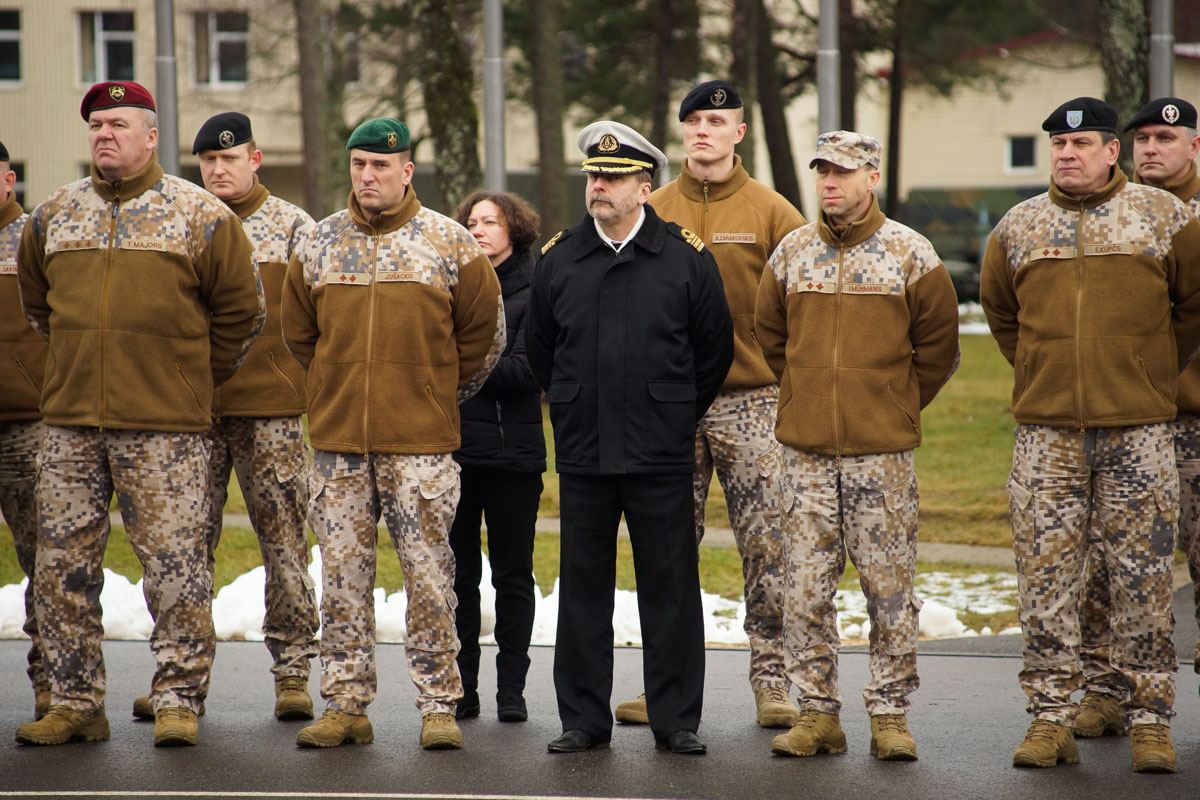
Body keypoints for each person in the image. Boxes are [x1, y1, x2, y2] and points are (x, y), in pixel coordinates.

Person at [15, 81, 264, 748]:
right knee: (62, 567)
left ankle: (178, 697)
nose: (104, 134)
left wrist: (186, 379)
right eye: (96, 124)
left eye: (119, 124)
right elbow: (40, 307)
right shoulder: (53, 215)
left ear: (151, 137)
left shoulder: (200, 215)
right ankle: (74, 703)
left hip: (165, 428)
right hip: (69, 425)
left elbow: (243, 313)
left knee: (176, 566)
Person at [980, 97, 1200, 773]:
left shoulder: (1166, 219)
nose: (1069, 154)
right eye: (1058, 145)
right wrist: (1048, 371)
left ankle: (1150, 720)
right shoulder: (1019, 227)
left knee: (1141, 582)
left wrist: (1147, 369)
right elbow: (1002, 314)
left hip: (1138, 430)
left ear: (1113, 152)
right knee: (1047, 582)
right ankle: (1050, 718)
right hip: (1048, 436)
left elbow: (1191, 309)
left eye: (1084, 144)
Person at [281, 117, 504, 751]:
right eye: (358, 166)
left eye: (381, 166)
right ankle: (346, 703)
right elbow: (300, 335)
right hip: (339, 445)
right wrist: (331, 387)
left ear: (407, 170)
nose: (368, 176)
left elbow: (484, 338)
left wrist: (436, 394)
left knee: (431, 578)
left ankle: (438, 705)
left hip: (421, 446)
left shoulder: (448, 242)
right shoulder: (319, 243)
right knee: (343, 577)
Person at [527, 120, 734, 755]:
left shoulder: (685, 258)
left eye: (613, 178)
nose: (599, 187)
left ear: (644, 187)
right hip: (586, 448)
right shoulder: (561, 258)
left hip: (659, 448)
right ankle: (583, 719)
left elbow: (713, 351)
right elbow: (539, 351)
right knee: (582, 586)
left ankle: (675, 719)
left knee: (669, 586)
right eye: (593, 175)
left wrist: (671, 413)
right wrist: (570, 408)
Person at [756, 130, 959, 761]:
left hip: (882, 456)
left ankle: (890, 713)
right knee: (805, 588)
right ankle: (818, 714)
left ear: (872, 177)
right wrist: (807, 399)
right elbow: (771, 339)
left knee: (889, 588)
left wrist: (893, 407)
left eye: (842, 172)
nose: (829, 183)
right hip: (805, 454)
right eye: (822, 172)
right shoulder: (791, 252)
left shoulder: (910, 252)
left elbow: (939, 349)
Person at [610, 80, 805, 730]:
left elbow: (800, 308)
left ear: (739, 133)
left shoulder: (773, 211)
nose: (703, 131)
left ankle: (773, 681)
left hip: (751, 403)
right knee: (666, 546)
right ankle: (664, 684)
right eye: (693, 119)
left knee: (767, 545)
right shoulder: (652, 208)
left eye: (716, 120)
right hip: (668, 406)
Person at [131, 112, 321, 722]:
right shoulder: (179, 220)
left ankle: (292, 672)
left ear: (255, 159)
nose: (218, 170)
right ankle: (181, 679)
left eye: (230, 159)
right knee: (182, 549)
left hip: (270, 413)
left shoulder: (295, 227)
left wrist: (302, 384)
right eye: (209, 161)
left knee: (285, 544)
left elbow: (322, 319)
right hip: (191, 414)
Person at [1074, 97, 1200, 740]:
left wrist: (1163, 365)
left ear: (1195, 148)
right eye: (1143, 138)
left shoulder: (1188, 223)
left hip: (1193, 420)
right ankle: (1106, 691)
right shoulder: (1106, 216)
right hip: (1125, 419)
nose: (1153, 149)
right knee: (1107, 562)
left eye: (1167, 138)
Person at [449, 190, 546, 723]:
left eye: (491, 221)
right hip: (455, 453)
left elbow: (528, 373)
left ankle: (512, 690)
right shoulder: (452, 281)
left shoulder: (540, 287)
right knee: (458, 577)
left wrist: (460, 362)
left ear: (516, 230)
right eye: (472, 221)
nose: (479, 229)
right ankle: (463, 689)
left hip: (515, 457)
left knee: (513, 577)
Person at [0, 139, 50, 722]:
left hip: (27, 426)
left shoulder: (34, 238)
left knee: (44, 560)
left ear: (9, 179)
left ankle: (52, 685)